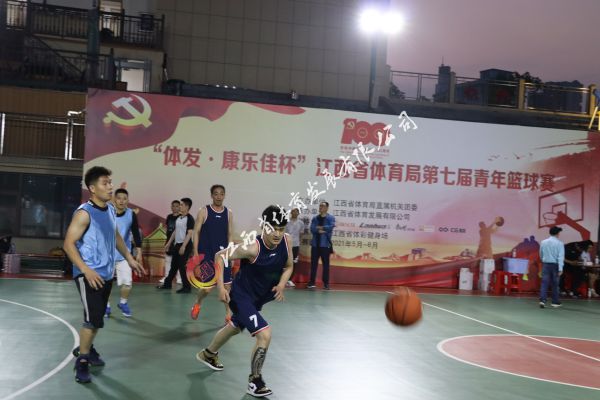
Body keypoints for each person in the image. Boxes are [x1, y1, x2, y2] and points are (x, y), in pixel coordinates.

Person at [196, 205, 293, 397]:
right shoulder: (252, 248)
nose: (277, 233)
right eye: (273, 228)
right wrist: (221, 287)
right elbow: (219, 256)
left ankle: (208, 354)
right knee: (264, 334)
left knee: (235, 327)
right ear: (264, 226)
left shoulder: (286, 241)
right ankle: (255, 381)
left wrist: (282, 284)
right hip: (240, 296)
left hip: (258, 298)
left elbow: (289, 266)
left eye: (281, 229)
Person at [63, 166, 145, 383]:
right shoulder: (84, 213)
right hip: (88, 274)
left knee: (97, 318)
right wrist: (86, 270)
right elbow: (68, 244)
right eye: (105, 183)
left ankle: (88, 348)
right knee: (92, 320)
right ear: (92, 188)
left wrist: (129, 258)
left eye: (110, 182)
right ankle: (82, 360)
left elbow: (116, 236)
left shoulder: (109, 209)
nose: (110, 187)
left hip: (106, 273)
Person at [190, 185, 234, 320]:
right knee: (207, 288)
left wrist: (231, 253)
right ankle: (198, 303)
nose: (219, 196)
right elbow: (196, 232)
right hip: (207, 254)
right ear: (211, 195)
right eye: (216, 194)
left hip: (223, 254)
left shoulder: (228, 213)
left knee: (227, 286)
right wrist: (195, 253)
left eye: (221, 194)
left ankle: (228, 315)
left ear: (224, 195)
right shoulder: (204, 211)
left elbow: (230, 234)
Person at [105, 188, 143, 318]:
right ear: (114, 199)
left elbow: (136, 234)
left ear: (128, 200)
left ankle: (123, 303)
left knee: (127, 283)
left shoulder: (131, 214)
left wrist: (139, 252)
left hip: (124, 254)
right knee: (106, 284)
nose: (121, 201)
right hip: (107, 255)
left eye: (124, 198)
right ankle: (106, 306)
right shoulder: (106, 211)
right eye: (119, 198)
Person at [157, 197, 194, 293]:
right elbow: (175, 231)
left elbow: (190, 233)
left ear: (187, 207)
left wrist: (183, 246)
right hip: (177, 245)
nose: (180, 207)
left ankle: (187, 287)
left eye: (181, 205)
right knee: (173, 266)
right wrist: (168, 243)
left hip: (185, 245)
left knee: (182, 266)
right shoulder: (179, 218)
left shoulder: (190, 219)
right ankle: (167, 284)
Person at [307, 201, 335, 290]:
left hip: (325, 245)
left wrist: (321, 227)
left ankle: (326, 283)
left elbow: (330, 227)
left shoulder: (330, 218)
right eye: (320, 206)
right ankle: (312, 282)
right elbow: (312, 229)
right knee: (313, 264)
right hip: (315, 245)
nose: (320, 207)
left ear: (327, 208)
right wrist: (320, 230)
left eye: (322, 206)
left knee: (326, 265)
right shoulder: (315, 218)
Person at [539, 226, 564, 308]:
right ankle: (555, 302)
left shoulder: (543, 242)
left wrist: (543, 260)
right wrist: (560, 268)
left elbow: (541, 254)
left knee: (544, 283)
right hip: (555, 265)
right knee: (555, 284)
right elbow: (560, 257)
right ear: (557, 233)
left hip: (546, 264)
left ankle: (542, 300)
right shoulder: (560, 243)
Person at [159, 200, 182, 285]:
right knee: (168, 260)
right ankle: (167, 277)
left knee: (179, 261)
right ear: (171, 207)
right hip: (169, 241)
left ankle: (179, 278)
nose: (175, 208)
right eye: (173, 206)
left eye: (177, 206)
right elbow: (167, 228)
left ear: (180, 207)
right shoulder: (169, 216)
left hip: (178, 241)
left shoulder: (182, 217)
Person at [284, 207, 304, 287]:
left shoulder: (301, 223)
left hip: (296, 245)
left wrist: (299, 243)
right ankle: (283, 279)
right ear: (291, 213)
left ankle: (289, 279)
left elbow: (301, 234)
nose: (294, 213)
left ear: (298, 213)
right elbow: (284, 233)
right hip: (287, 245)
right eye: (293, 211)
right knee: (285, 262)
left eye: (296, 211)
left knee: (294, 262)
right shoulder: (287, 222)